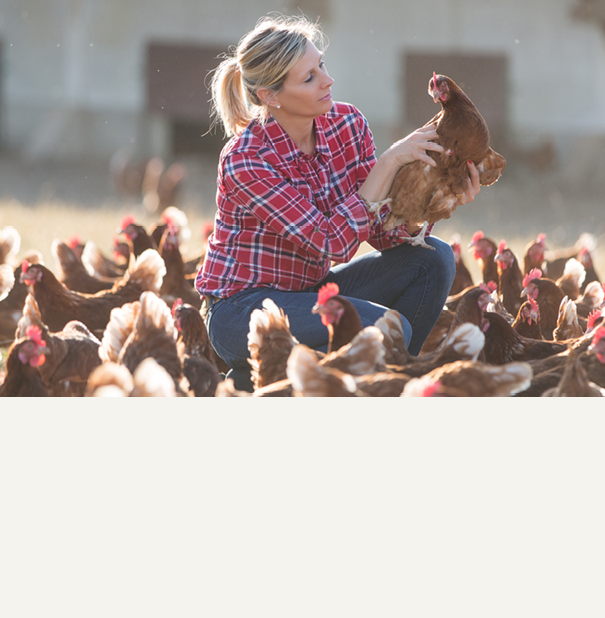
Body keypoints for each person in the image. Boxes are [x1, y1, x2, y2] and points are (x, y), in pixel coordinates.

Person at [196, 14, 480, 390]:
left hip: (313, 291)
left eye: (322, 65)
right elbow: (331, 242)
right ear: (270, 96)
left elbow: (383, 233)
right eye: (309, 77)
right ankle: (344, 380)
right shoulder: (247, 159)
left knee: (435, 258)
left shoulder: (347, 124)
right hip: (242, 309)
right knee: (385, 328)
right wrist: (388, 163)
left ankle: (371, 384)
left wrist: (436, 199)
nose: (327, 80)